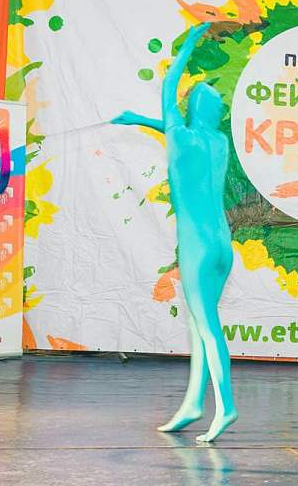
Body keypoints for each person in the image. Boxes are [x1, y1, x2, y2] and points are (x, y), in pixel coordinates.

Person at [112, 23, 237, 443]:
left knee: (207, 327)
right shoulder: (217, 141)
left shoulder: (181, 136)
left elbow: (169, 87)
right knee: (199, 323)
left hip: (197, 248)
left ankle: (226, 405)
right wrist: (139, 121)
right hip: (223, 245)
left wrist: (191, 42)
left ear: (190, 108)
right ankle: (192, 404)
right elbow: (172, 125)